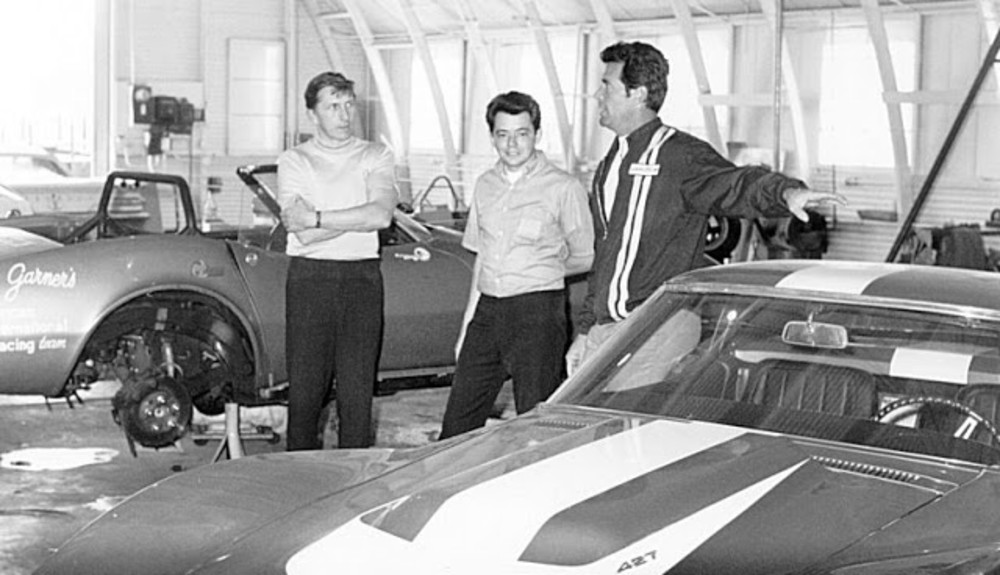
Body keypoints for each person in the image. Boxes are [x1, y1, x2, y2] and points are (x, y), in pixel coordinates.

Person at [565, 41, 846, 375]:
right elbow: (606, 255)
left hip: (656, 325)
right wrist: (585, 331)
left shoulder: (677, 155)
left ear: (638, 94)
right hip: (608, 328)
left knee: (624, 423)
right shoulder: (611, 164)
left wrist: (785, 193)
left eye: (607, 86)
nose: (599, 96)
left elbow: (735, 183)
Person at [439, 91, 595, 439]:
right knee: (457, 424)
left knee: (537, 423)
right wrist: (467, 325)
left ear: (537, 134)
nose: (512, 144)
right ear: (492, 136)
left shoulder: (563, 188)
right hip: (488, 312)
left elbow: (587, 254)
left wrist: (545, 269)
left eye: (522, 133)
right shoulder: (485, 185)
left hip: (536, 314)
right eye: (503, 134)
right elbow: (482, 257)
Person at [277, 71, 397, 450]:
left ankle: (354, 487)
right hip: (310, 281)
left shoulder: (376, 154)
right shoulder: (295, 160)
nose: (344, 115)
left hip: (362, 280)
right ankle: (299, 483)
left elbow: (380, 217)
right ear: (313, 114)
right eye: (333, 106)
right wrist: (354, 216)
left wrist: (318, 217)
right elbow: (301, 232)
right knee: (305, 397)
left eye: (348, 105)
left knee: (357, 396)